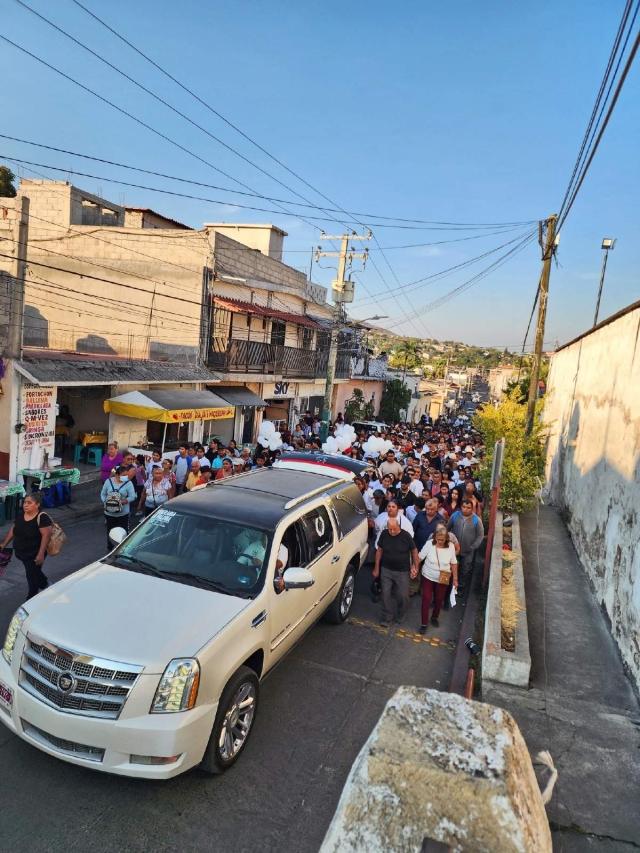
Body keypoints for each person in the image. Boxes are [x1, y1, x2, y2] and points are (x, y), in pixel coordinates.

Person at [0, 492, 52, 600]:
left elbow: (46, 537)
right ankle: (45, 584)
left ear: (37, 505)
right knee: (34, 571)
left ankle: (31, 598)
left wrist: (41, 554)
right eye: (25, 502)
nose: (25, 505)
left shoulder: (42, 518)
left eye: (29, 503)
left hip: (34, 552)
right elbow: (14, 530)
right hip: (22, 553)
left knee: (31, 575)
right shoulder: (21, 515)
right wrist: (4, 544)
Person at [373, 518, 420, 628]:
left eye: (394, 529)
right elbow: (379, 551)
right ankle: (387, 617)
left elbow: (414, 551)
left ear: (399, 526)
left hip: (402, 571)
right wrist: (376, 568)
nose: (392, 532)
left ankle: (401, 613)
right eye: (390, 529)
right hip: (386, 569)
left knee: (403, 596)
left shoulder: (406, 536)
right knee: (385, 594)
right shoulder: (384, 534)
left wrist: (416, 567)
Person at [418, 524, 458, 632]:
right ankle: (424, 623)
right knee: (426, 598)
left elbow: (454, 563)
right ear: (435, 537)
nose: (440, 541)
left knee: (439, 599)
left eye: (442, 540)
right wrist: (414, 566)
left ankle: (434, 617)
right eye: (438, 539)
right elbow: (420, 557)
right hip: (428, 576)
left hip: (443, 577)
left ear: (446, 539)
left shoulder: (451, 546)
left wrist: (455, 579)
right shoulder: (429, 544)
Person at [447, 499, 485, 590]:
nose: (466, 509)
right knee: (452, 568)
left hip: (468, 551)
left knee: (465, 569)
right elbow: (447, 528)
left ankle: (461, 587)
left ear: (472, 509)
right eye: (464, 507)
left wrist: (473, 546)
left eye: (468, 508)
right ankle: (450, 586)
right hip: (454, 550)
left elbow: (480, 535)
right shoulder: (455, 516)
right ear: (461, 507)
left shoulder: (476, 520)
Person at [100, 465, 136, 549]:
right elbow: (103, 493)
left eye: (126, 474)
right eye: (123, 475)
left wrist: (121, 502)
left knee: (123, 531)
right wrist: (106, 502)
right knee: (110, 530)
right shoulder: (108, 482)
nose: (126, 477)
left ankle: (123, 548)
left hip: (123, 513)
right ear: (117, 475)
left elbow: (132, 496)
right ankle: (110, 547)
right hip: (109, 513)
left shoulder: (128, 483)